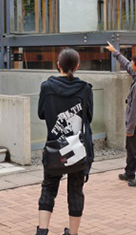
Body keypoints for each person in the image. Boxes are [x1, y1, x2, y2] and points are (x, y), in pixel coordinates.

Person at [36, 49, 94, 235]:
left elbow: (41, 114)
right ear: (77, 66)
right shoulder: (85, 89)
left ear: (58, 65)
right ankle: (73, 232)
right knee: (76, 190)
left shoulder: (47, 87)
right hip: (77, 149)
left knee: (49, 188)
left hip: (54, 148)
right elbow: (89, 117)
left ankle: (42, 230)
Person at [106, 42, 136, 187]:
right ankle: (129, 172)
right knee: (131, 148)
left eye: (133, 62)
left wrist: (130, 129)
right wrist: (115, 52)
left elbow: (135, 110)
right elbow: (127, 65)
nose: (131, 63)